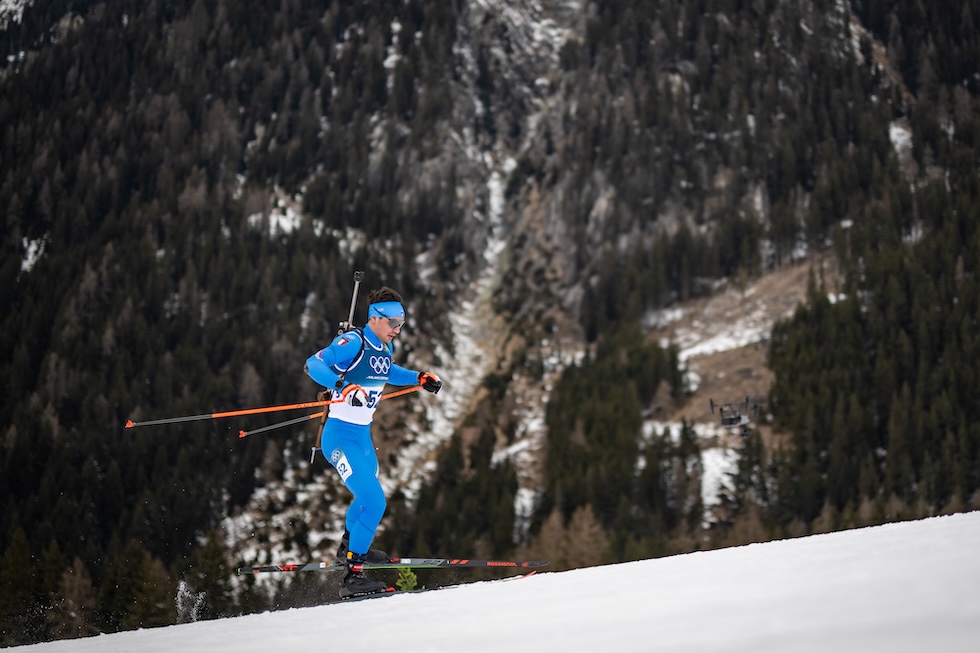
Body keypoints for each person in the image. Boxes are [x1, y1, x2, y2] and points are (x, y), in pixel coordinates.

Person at [304, 286, 442, 597]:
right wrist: (342, 385)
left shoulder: (384, 348)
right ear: (375, 318)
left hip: (363, 438)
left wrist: (419, 377)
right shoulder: (354, 342)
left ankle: (349, 547)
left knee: (365, 497)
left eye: (401, 324)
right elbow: (313, 364)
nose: (397, 329)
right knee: (374, 501)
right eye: (393, 323)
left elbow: (387, 372)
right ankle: (352, 578)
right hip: (339, 437)